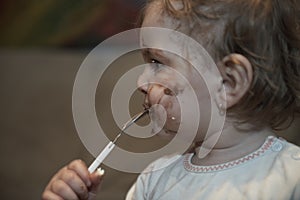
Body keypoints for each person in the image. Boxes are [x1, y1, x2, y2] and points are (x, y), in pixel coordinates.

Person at [42, 0, 300, 199]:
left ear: (227, 83)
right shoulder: (155, 181)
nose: (140, 83)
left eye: (157, 63)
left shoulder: (292, 177)